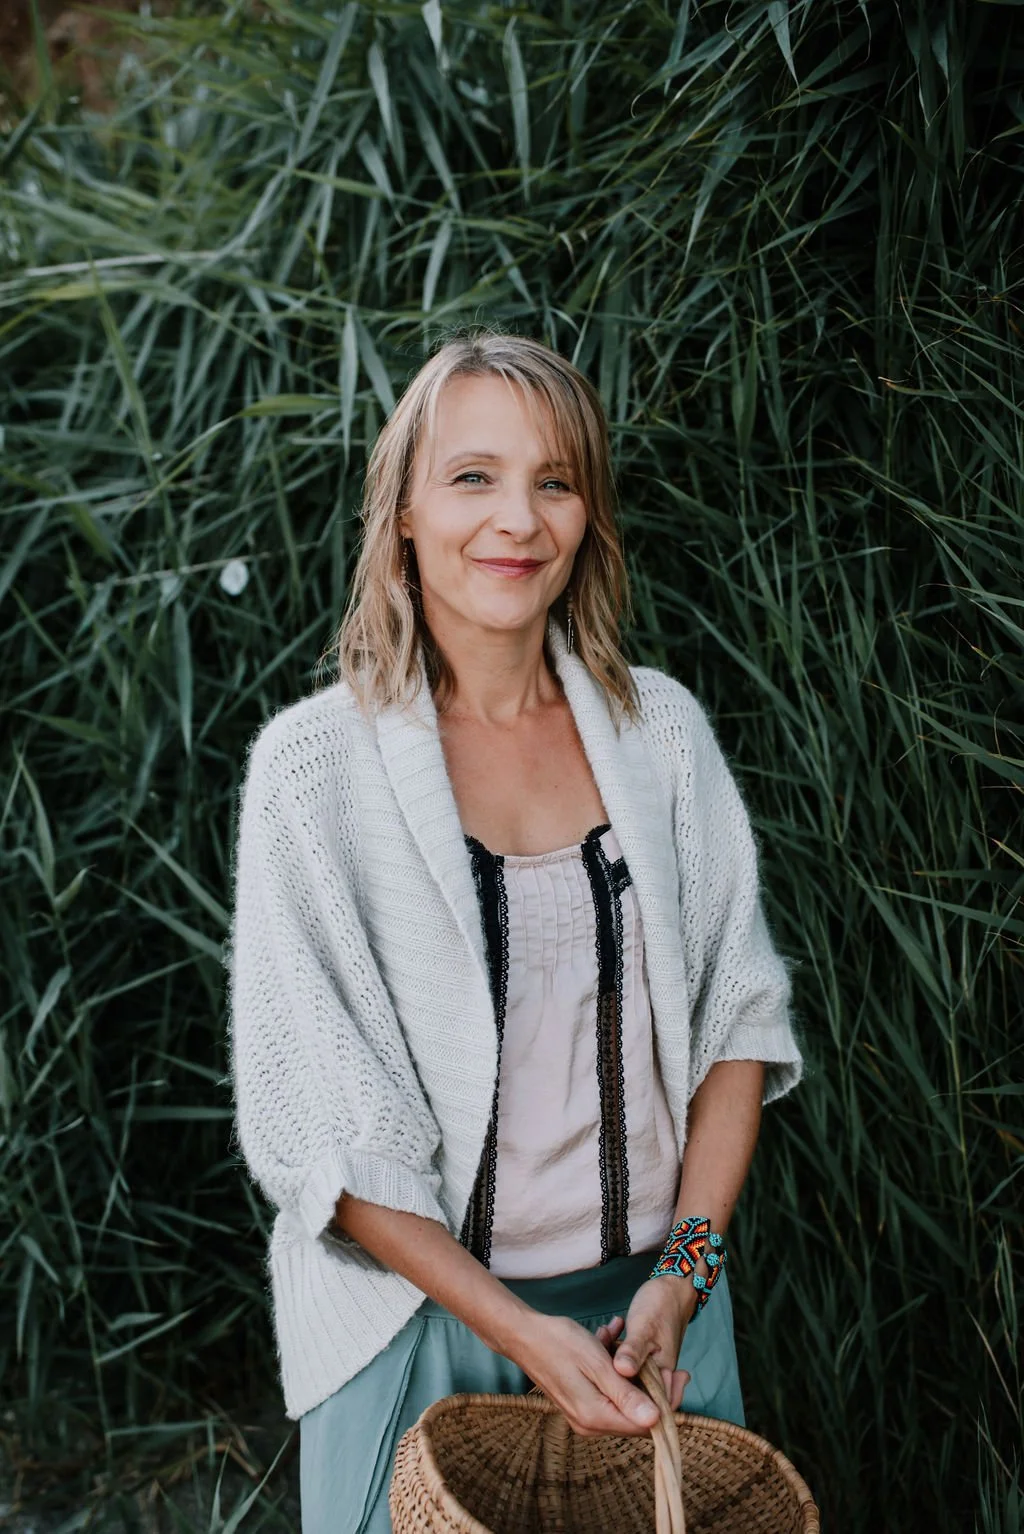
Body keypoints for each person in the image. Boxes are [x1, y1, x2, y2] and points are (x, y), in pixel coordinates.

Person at [228, 332, 803, 1534]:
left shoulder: (665, 735)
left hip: (650, 1323)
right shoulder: (312, 772)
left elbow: (737, 1028)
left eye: (554, 479)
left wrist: (682, 1281)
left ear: (587, 511)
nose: (517, 519)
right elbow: (328, 1137)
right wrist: (516, 1331)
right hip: (420, 1329)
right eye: (472, 476)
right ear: (401, 513)